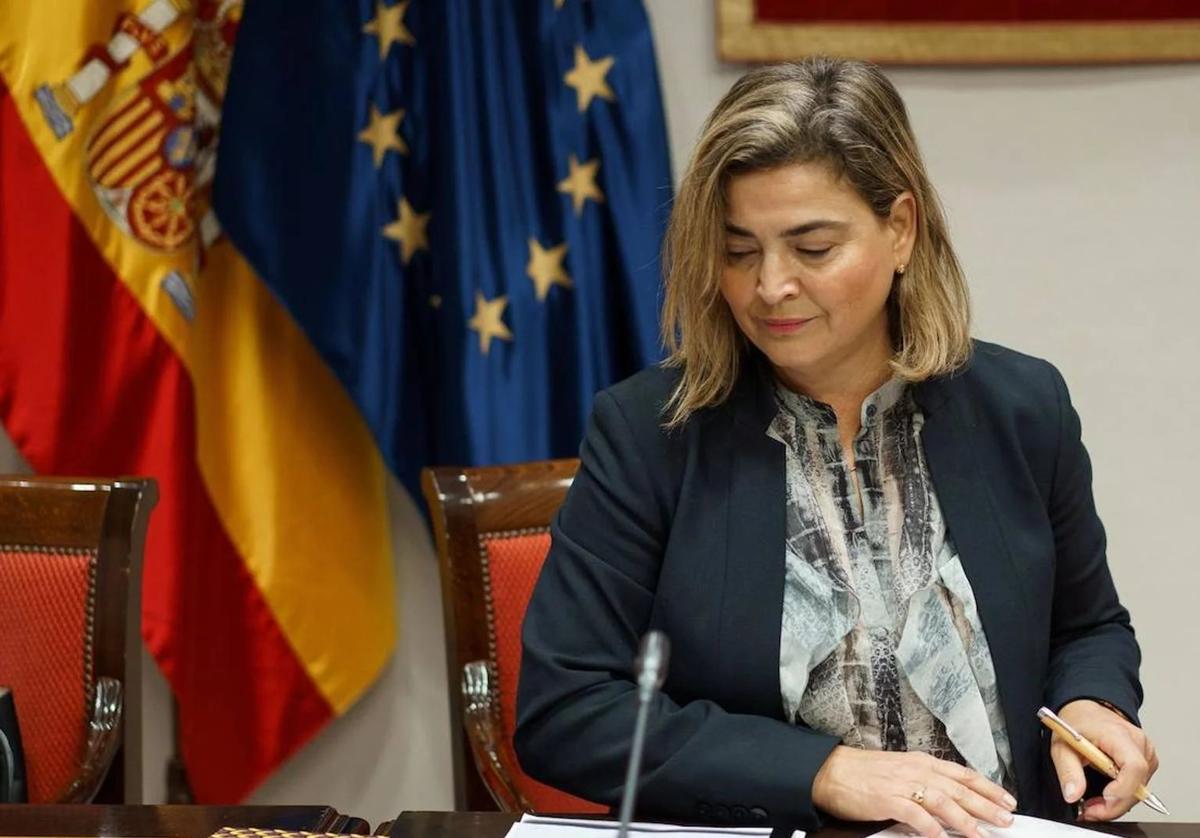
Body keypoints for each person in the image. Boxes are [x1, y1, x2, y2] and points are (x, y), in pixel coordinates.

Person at [514, 58, 1157, 836]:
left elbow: (1088, 627)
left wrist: (1094, 701)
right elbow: (569, 710)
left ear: (901, 229)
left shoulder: (1022, 406)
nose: (769, 287)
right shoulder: (650, 433)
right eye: (739, 250)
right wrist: (819, 770)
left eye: (812, 248)